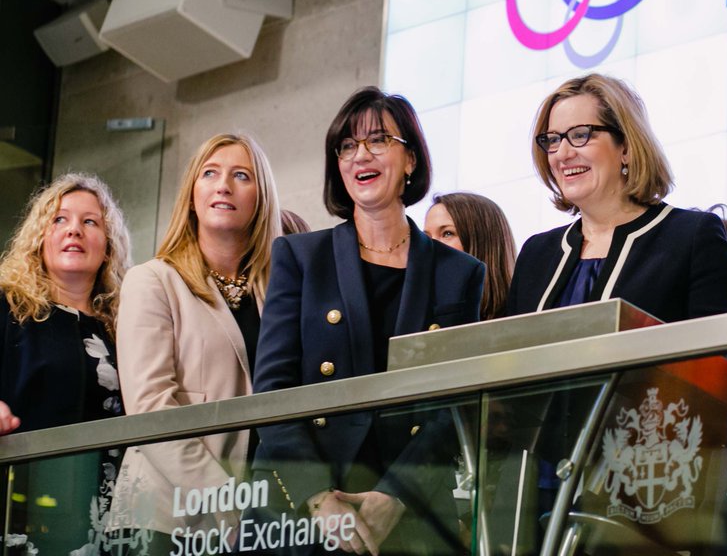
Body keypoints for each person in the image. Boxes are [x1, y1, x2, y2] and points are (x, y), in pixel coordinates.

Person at [254, 87, 484, 555]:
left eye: (378, 140)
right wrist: (318, 498)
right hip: (302, 507)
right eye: (347, 145)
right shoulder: (300, 256)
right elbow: (273, 390)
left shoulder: (460, 273)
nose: (361, 155)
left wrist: (395, 496)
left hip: (411, 509)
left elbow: (454, 404)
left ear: (411, 160)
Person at [109, 133, 281, 546]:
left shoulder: (277, 291)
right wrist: (227, 499)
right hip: (166, 518)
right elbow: (150, 406)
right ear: (191, 196)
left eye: (241, 175)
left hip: (260, 519)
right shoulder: (152, 280)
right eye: (209, 173)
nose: (223, 185)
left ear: (261, 199)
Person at [508, 73, 727, 321]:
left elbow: (718, 354)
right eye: (553, 140)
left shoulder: (691, 237)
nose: (562, 154)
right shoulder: (537, 253)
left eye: (580, 135)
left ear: (626, 148)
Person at [0, 173, 132, 553]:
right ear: (40, 237)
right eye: (59, 219)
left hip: (111, 518)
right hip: (22, 511)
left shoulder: (126, 325)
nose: (74, 229)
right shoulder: (9, 310)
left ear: (107, 246)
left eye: (90, 222)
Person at [424, 192, 516, 321]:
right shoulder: (421, 311)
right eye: (426, 238)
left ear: (482, 242)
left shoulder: (522, 312)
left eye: (447, 233)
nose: (431, 245)